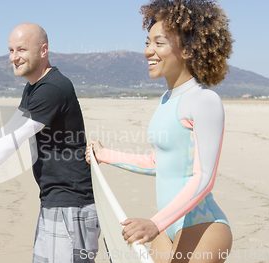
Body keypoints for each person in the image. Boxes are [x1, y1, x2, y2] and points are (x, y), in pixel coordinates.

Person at [86, 0, 234, 262]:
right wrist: (105, 155)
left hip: (202, 225)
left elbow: (204, 178)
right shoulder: (167, 99)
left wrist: (154, 223)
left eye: (159, 43)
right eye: (147, 42)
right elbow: (158, 163)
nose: (148, 51)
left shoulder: (204, 101)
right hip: (167, 228)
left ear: (188, 49)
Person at [0, 23, 100, 262]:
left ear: (43, 51)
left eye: (21, 49)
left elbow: (12, 140)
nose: (13, 57)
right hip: (55, 201)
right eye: (10, 50)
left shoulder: (52, 88)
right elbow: (6, 132)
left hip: (71, 206)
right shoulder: (33, 88)